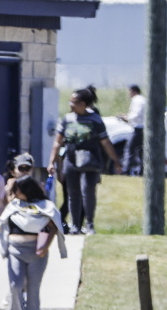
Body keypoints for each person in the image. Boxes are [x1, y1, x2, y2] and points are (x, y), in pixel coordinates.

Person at [48, 87, 121, 235]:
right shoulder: (67, 119)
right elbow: (58, 142)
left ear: (83, 104)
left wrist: (116, 161)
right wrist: (52, 162)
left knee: (88, 191)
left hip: (90, 160)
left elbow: (105, 142)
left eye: (74, 102)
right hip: (71, 159)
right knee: (72, 193)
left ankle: (89, 224)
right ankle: (75, 225)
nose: (71, 104)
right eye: (70, 101)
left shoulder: (95, 120)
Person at [0, 176, 66, 310]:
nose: (14, 193)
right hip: (15, 249)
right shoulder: (14, 205)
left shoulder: (45, 206)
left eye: (17, 190)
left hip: (37, 252)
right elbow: (3, 223)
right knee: (15, 286)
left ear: (26, 190)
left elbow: (53, 226)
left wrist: (45, 246)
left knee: (33, 288)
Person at [123, 84, 145, 176]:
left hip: (139, 128)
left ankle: (126, 170)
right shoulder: (143, 99)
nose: (128, 94)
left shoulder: (137, 100)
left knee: (129, 149)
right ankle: (142, 170)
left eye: (129, 91)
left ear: (133, 91)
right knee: (141, 151)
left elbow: (136, 114)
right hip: (144, 128)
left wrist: (127, 118)